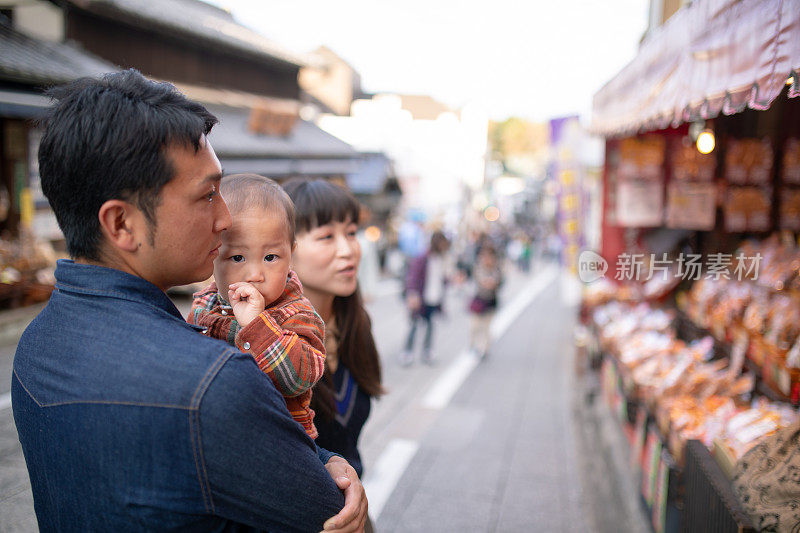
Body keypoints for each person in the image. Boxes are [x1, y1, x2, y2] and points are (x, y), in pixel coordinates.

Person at [11, 70, 366, 532]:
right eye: (207, 194)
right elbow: (326, 513)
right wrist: (325, 465)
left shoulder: (36, 344)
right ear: (121, 224)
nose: (224, 218)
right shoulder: (212, 384)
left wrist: (319, 455)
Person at [282, 178, 385, 533]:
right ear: (285, 249)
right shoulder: (269, 346)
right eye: (327, 236)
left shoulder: (354, 324)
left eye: (352, 232)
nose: (348, 250)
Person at [189, 173, 325, 439]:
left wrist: (254, 325)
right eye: (237, 257)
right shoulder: (205, 305)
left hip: (279, 441)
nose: (254, 274)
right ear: (213, 254)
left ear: (291, 257)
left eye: (270, 257)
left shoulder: (298, 314)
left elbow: (300, 377)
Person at [401, 231, 451, 366]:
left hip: (434, 297)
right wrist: (413, 294)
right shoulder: (423, 257)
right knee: (414, 325)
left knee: (430, 325)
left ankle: (427, 351)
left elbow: (442, 278)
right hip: (421, 297)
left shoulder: (442, 258)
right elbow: (413, 276)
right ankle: (407, 352)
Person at [468, 244, 504, 359]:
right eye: (484, 256)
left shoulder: (497, 269)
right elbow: (483, 281)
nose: (486, 258)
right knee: (475, 325)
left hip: (491, 302)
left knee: (486, 327)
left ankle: (484, 348)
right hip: (479, 301)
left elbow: (497, 282)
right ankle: (473, 344)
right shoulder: (478, 268)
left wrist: (492, 283)